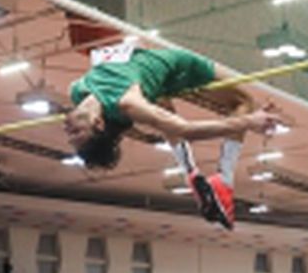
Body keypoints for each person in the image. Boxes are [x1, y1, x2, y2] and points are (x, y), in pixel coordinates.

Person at [66, 43, 281, 229]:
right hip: (179, 67)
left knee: (161, 106)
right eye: (77, 131)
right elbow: (185, 129)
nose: (68, 127)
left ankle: (191, 174)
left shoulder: (76, 91)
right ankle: (224, 180)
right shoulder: (127, 102)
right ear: (98, 123)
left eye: (70, 134)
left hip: (153, 84)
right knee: (243, 101)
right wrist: (251, 121)